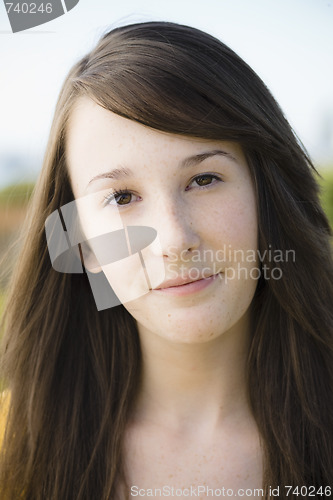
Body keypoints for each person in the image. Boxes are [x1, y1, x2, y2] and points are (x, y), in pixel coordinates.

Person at [0, 21, 332, 500]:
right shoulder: (14, 449)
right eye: (121, 197)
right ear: (82, 244)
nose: (175, 241)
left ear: (265, 194)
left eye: (204, 179)